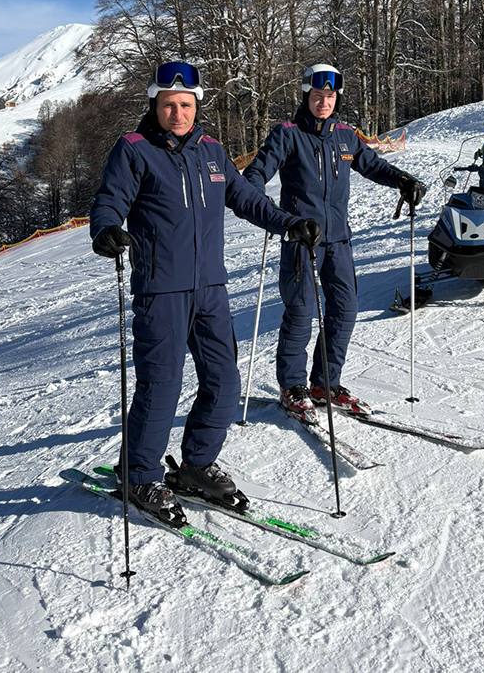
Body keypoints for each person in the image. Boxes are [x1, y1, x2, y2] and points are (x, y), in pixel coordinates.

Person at [90, 61, 320, 521]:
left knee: (224, 381)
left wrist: (290, 223)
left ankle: (196, 464)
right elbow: (109, 200)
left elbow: (247, 199)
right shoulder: (135, 150)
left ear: (197, 105)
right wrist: (106, 229)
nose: (177, 113)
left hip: (211, 288)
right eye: (168, 105)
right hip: (161, 291)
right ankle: (139, 474)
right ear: (154, 105)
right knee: (161, 385)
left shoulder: (212, 151)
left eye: (185, 104)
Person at [243, 63, 426, 420]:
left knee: (344, 309)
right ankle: (292, 386)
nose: (323, 102)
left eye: (329, 96)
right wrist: (269, 211)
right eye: (317, 95)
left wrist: (402, 180)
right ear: (305, 96)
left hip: (338, 239)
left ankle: (325, 383)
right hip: (302, 239)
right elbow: (255, 174)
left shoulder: (345, 135)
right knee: (301, 311)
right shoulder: (288, 134)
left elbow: (373, 165)